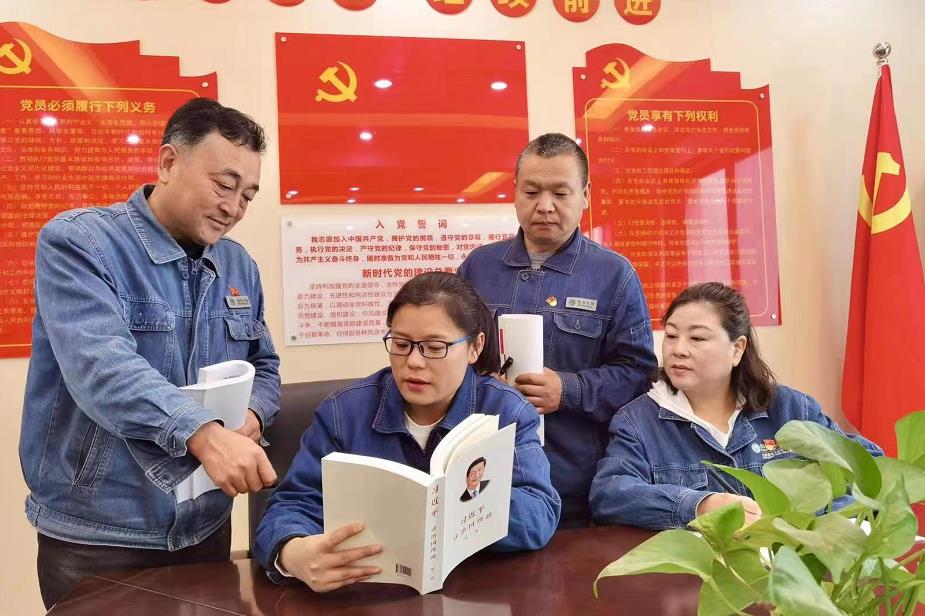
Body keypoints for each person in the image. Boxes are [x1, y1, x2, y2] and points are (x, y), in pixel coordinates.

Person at [19, 98, 280, 609]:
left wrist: (252, 414)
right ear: (168, 162)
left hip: (205, 524)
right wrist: (205, 435)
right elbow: (102, 368)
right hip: (100, 533)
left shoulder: (238, 265)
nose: (233, 208)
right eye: (223, 185)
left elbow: (264, 365)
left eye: (248, 196)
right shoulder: (80, 243)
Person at [253, 272, 560, 593]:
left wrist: (459, 505)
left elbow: (539, 512)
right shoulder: (343, 413)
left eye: (434, 347)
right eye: (401, 344)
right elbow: (293, 504)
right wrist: (292, 553)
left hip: (476, 589)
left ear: (475, 347)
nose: (413, 362)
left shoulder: (506, 411)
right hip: (366, 591)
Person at [457, 133, 657, 528]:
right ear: (515, 192)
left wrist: (568, 389)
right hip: (484, 472)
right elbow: (449, 352)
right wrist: (482, 382)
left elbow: (638, 375)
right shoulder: (478, 267)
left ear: (585, 195)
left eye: (560, 193)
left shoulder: (614, 275)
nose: (545, 206)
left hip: (576, 480)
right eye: (531, 192)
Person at [590, 282, 883, 530]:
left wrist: (813, 525)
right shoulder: (638, 421)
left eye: (697, 337)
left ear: (737, 349)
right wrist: (700, 505)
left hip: (793, 570)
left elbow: (872, 471)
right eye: (671, 335)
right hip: (699, 575)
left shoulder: (791, 410)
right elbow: (611, 494)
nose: (678, 349)